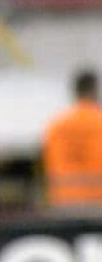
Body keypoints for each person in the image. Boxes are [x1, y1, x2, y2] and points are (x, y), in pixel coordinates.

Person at [42, 68, 102, 213]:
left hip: (63, 202)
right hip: (97, 203)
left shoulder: (56, 126)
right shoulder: (99, 121)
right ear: (94, 91)